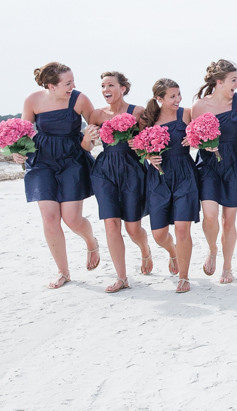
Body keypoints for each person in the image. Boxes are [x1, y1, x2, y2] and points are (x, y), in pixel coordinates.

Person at [89, 71, 175, 293]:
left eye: (110, 85)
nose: (105, 89)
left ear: (122, 89)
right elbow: (87, 147)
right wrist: (86, 139)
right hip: (105, 171)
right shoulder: (96, 114)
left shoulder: (137, 112)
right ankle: (122, 277)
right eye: (103, 86)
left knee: (133, 228)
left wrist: (142, 149)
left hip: (132, 171)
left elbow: (151, 142)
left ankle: (146, 248)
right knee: (111, 223)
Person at [15, 62, 99, 289]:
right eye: (68, 83)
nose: (73, 86)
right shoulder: (33, 100)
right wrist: (17, 152)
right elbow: (23, 132)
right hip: (42, 161)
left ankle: (91, 241)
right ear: (51, 86)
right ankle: (63, 272)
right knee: (50, 217)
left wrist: (91, 138)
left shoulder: (79, 99)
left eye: (73, 81)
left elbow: (95, 127)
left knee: (72, 219)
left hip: (72, 159)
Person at [191, 60, 237, 285]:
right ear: (219, 82)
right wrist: (204, 146)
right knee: (209, 215)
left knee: (229, 220)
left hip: (234, 163)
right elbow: (193, 139)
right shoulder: (199, 106)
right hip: (208, 165)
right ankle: (212, 248)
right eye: (233, 80)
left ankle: (227, 267)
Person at [141, 78, 200, 293]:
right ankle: (173, 251)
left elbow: (202, 134)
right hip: (158, 178)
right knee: (158, 234)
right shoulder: (148, 119)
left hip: (185, 173)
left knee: (183, 228)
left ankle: (184, 277)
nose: (178, 99)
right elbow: (140, 147)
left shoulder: (186, 113)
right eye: (172, 96)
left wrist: (194, 139)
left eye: (179, 94)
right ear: (159, 99)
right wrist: (148, 157)